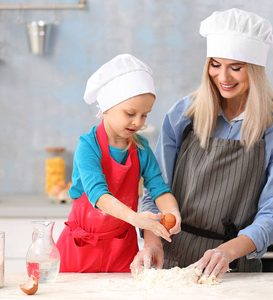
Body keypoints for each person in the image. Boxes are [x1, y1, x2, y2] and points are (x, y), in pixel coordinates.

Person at [130, 8, 273, 278]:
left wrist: (228, 252)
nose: (223, 77)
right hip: (171, 257)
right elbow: (155, 189)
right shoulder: (183, 115)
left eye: (236, 67)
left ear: (255, 69)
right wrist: (152, 244)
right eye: (215, 64)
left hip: (235, 266)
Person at [56, 54, 181, 273]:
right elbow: (98, 195)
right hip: (81, 249)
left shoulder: (141, 148)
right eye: (130, 113)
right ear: (106, 107)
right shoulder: (88, 146)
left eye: (145, 115)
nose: (138, 122)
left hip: (122, 249)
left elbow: (159, 189)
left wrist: (173, 211)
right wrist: (135, 218)